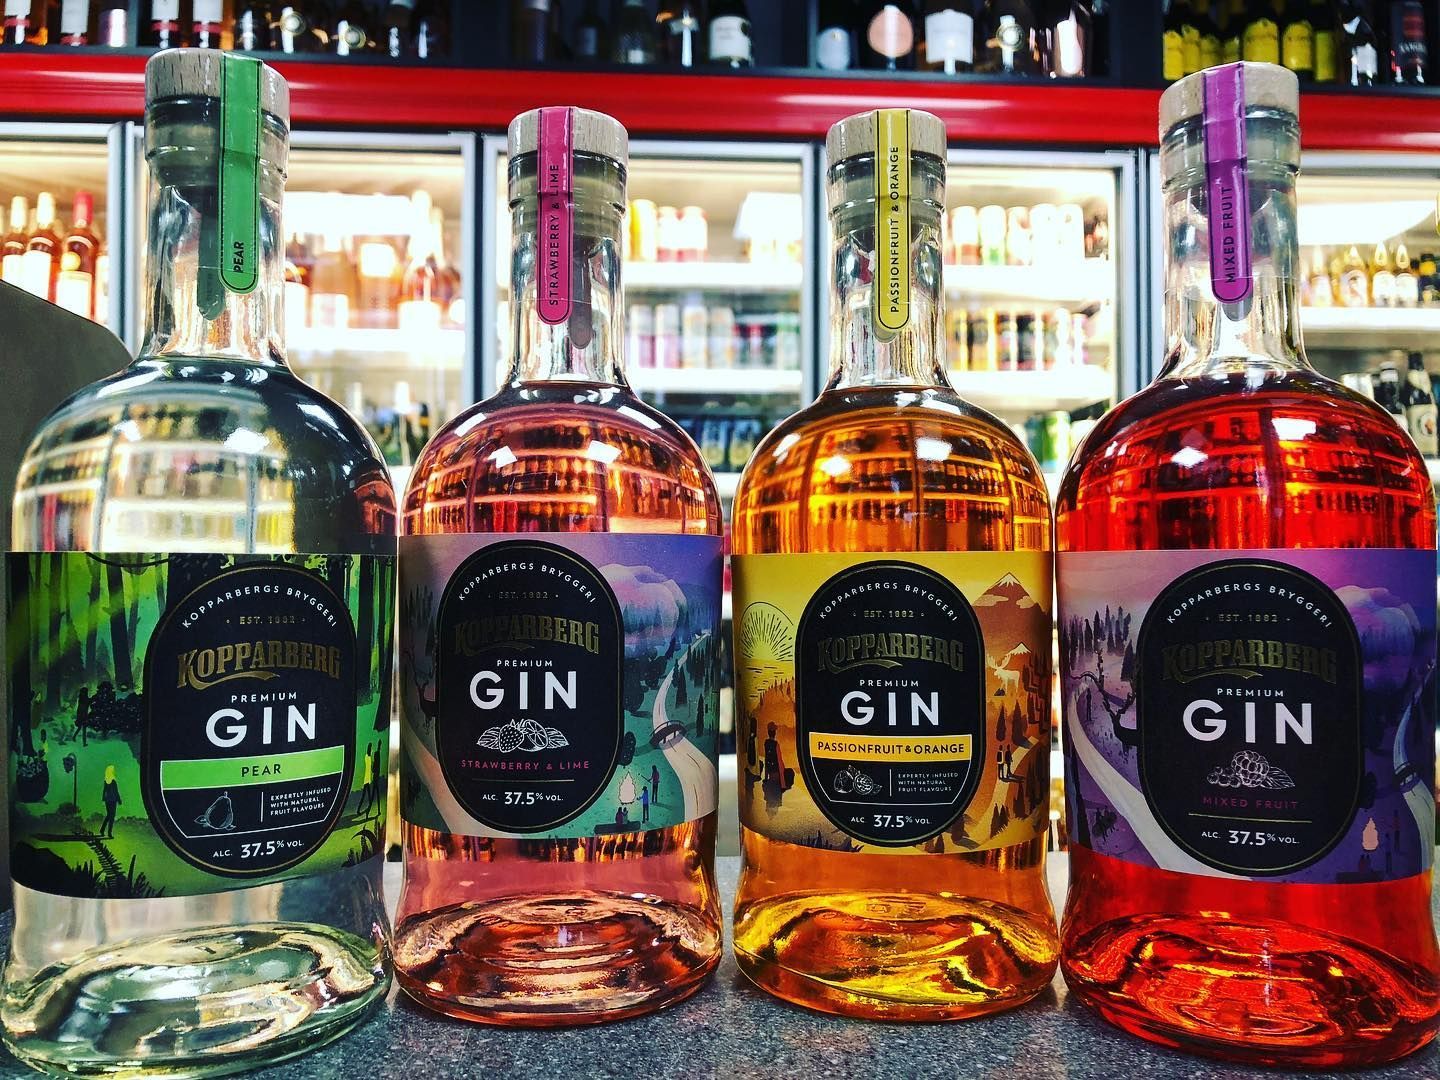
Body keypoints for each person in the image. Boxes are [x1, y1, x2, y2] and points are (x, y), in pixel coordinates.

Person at [100, 764, 121, 839]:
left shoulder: (106, 781)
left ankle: (102, 830)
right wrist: (119, 799)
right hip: (113, 800)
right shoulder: (113, 781)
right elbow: (116, 791)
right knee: (111, 816)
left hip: (107, 800)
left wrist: (103, 798)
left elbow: (104, 790)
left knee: (109, 815)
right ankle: (109, 833)